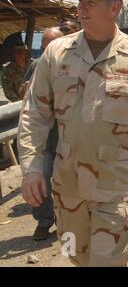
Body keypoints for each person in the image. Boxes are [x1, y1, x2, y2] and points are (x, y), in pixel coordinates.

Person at [18, 0, 128, 267]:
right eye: (79, 2)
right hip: (68, 189)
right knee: (76, 258)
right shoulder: (57, 52)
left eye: (90, 3)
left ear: (114, 8)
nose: (81, 9)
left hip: (116, 188)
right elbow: (34, 115)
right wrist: (32, 167)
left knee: (108, 264)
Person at [19, 27, 64, 240]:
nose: (49, 51)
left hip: (68, 135)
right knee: (43, 177)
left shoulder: (73, 64)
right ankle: (44, 222)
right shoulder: (37, 65)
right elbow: (25, 95)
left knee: (68, 181)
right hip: (46, 137)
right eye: (45, 46)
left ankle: (65, 221)